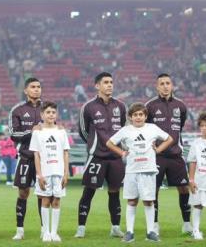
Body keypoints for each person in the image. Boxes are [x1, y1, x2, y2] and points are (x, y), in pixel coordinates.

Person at [106, 103, 173, 243]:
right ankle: (129, 232)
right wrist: (122, 152)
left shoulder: (152, 128)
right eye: (135, 115)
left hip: (148, 170)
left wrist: (159, 150)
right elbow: (110, 143)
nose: (138, 117)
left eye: (141, 114)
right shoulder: (125, 130)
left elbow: (169, 139)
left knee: (149, 201)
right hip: (132, 171)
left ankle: (150, 232)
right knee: (132, 201)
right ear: (130, 117)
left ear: (145, 116)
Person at [75, 72, 127, 239]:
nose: (109, 85)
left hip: (116, 158)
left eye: (111, 82)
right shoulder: (88, 107)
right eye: (105, 82)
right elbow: (83, 131)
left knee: (114, 191)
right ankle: (81, 228)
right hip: (96, 157)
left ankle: (115, 227)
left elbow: (124, 128)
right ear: (97, 85)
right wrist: (94, 144)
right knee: (89, 191)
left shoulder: (120, 106)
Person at [145, 73, 192, 235]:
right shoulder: (149, 106)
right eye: (162, 84)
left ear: (172, 86)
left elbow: (181, 126)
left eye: (168, 83)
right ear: (157, 87)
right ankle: (155, 224)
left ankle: (187, 223)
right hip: (156, 155)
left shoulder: (181, 106)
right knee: (153, 190)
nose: (165, 86)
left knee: (184, 188)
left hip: (175, 155)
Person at [28, 102, 70, 242]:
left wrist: (66, 173)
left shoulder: (61, 132)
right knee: (45, 201)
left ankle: (54, 232)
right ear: (42, 115)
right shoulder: (37, 132)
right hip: (45, 172)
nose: (51, 114)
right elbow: (36, 155)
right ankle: (46, 232)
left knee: (56, 201)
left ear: (56, 114)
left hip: (58, 172)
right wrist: (39, 174)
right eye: (48, 112)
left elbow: (65, 153)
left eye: (53, 112)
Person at [8, 77, 44, 240]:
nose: (36, 89)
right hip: (25, 157)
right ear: (26, 91)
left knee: (43, 193)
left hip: (44, 159)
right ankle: (20, 230)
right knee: (23, 193)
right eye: (33, 87)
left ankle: (45, 229)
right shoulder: (18, 110)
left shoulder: (47, 108)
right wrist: (32, 132)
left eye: (38, 87)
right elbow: (13, 135)